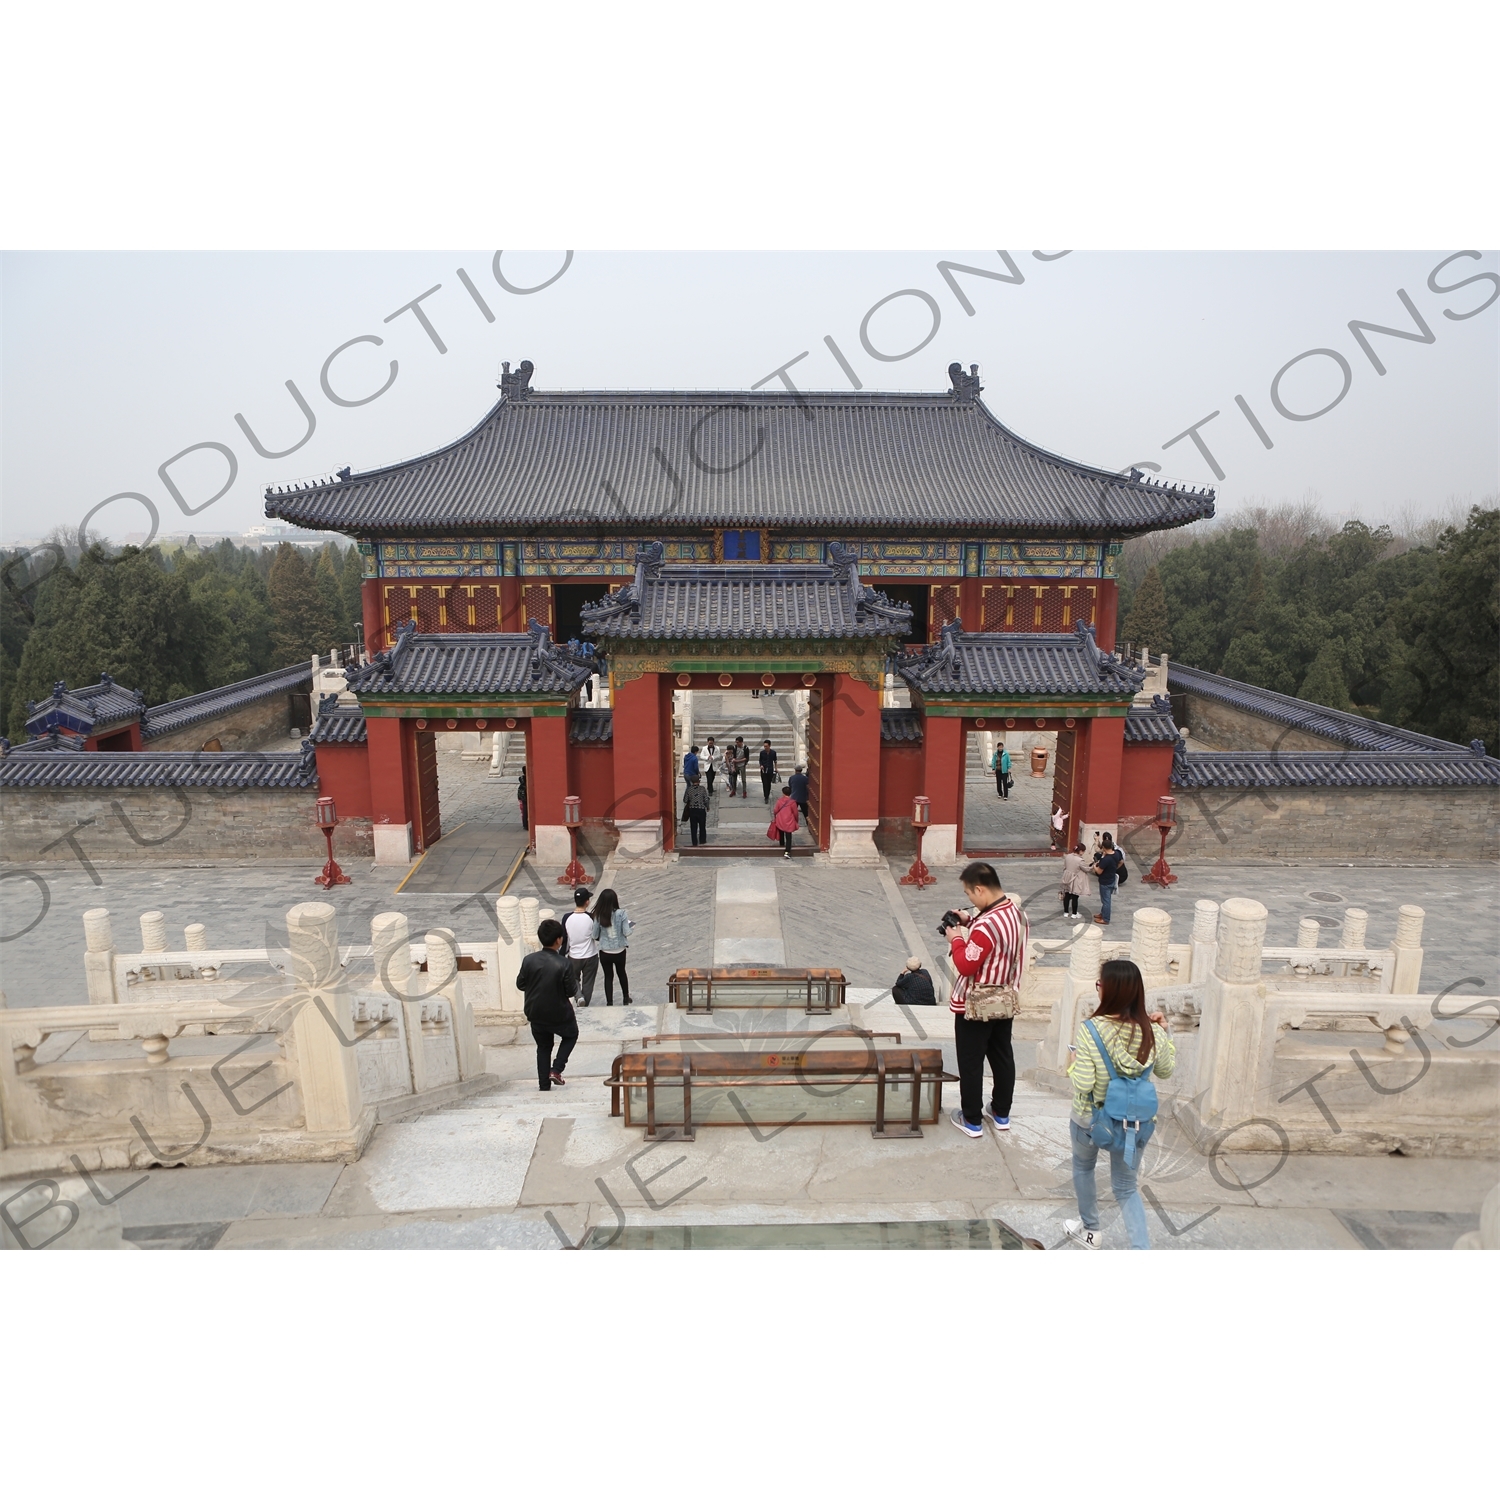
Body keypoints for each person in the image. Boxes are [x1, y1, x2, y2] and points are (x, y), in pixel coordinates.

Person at [1063, 959, 1176, 1250]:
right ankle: (1141, 1249)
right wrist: (1164, 1032)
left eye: (1100, 985)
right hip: (1134, 1123)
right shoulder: (1153, 1031)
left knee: (1083, 1168)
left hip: (1090, 1119)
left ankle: (1091, 1230)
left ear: (1109, 991)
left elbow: (1084, 1084)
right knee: (1126, 1187)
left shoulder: (1090, 1030)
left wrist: (1072, 1063)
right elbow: (1165, 1070)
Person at [944, 860, 1029, 1138]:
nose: (969, 899)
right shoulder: (1016, 914)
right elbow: (998, 943)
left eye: (969, 894)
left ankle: (971, 1119)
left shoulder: (985, 927)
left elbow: (967, 965)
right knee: (1002, 1056)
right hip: (1004, 999)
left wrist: (956, 938)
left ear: (979, 890)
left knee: (971, 1062)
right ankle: (1001, 1112)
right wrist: (970, 919)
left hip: (976, 1004)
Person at [516, 918, 577, 1090]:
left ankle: (544, 1086)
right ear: (559, 940)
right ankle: (556, 1069)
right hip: (559, 1014)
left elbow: (520, 984)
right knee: (571, 1035)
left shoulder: (529, 960)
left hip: (536, 1013)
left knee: (543, 1047)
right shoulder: (564, 963)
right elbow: (571, 991)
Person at [592, 887, 634, 1005]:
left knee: (608, 976)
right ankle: (626, 998)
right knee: (621, 973)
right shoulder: (622, 914)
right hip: (619, 950)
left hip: (605, 951)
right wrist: (631, 927)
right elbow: (626, 932)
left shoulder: (598, 915)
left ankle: (609, 1002)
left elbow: (594, 935)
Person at [564, 887, 600, 1006]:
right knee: (588, 982)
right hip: (590, 955)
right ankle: (585, 1004)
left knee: (574, 979)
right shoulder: (591, 917)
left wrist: (561, 955)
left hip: (574, 956)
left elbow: (564, 939)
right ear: (587, 902)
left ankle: (579, 997)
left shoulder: (566, 918)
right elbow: (596, 936)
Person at [1092, 833, 1124, 926]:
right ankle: (1102, 914)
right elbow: (1121, 862)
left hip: (1105, 881)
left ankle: (1105, 918)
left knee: (1106, 900)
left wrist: (1094, 866)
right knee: (1106, 899)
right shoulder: (1117, 853)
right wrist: (1114, 868)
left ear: (1104, 848)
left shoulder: (1106, 859)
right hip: (1112, 878)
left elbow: (1099, 871)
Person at [1060, 841, 1090, 917]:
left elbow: (1065, 866)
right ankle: (1074, 913)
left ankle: (1066, 912)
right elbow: (1086, 869)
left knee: (1067, 895)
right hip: (1075, 879)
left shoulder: (1068, 856)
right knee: (1075, 897)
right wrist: (1093, 866)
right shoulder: (1080, 860)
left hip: (1067, 877)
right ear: (1080, 851)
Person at [769, 782, 800, 856]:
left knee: (781, 833)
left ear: (783, 793)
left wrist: (775, 816)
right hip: (789, 820)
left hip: (780, 819)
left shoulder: (779, 801)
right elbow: (795, 812)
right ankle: (787, 851)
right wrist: (796, 820)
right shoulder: (792, 802)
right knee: (788, 836)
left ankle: (781, 845)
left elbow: (776, 810)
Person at [682, 774, 710, 846]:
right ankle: (702, 840)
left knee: (693, 827)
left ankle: (694, 842)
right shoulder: (702, 789)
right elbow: (706, 799)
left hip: (692, 810)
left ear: (691, 781)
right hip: (701, 810)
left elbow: (685, 800)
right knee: (702, 826)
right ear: (699, 781)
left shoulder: (689, 789)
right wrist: (707, 807)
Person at [517, 766, 528, 830]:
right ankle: (526, 824)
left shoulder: (521, 778)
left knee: (523, 811)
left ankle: (525, 824)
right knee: (525, 811)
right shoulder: (525, 779)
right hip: (525, 796)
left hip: (522, 796)